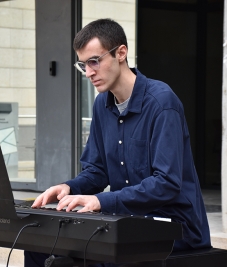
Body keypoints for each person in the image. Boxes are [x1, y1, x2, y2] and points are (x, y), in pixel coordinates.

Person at [25, 18, 211, 267]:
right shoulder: (102, 105)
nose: (89, 72)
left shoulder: (162, 103)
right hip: (127, 219)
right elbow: (97, 171)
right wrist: (69, 188)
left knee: (101, 257)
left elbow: (166, 183)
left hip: (174, 226)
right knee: (38, 246)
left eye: (94, 61)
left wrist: (101, 201)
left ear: (121, 53)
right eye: (83, 65)